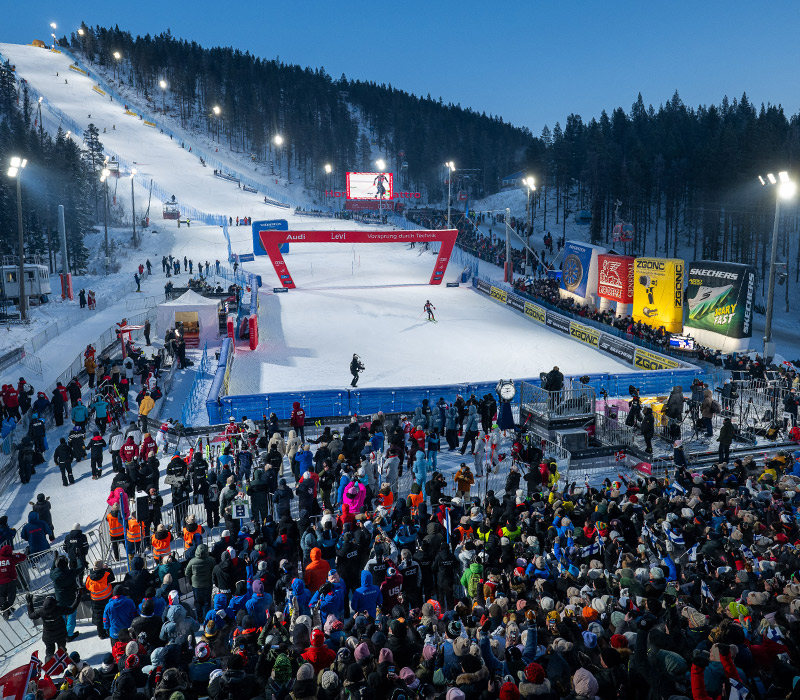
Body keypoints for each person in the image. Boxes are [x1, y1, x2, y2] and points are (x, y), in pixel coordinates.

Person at [0, 543, 27, 619]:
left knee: (2, 595)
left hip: (0, 582)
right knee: (11, 595)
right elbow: (23, 557)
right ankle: (8, 607)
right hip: (10, 580)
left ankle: (4, 607)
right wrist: (16, 554)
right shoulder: (11, 557)